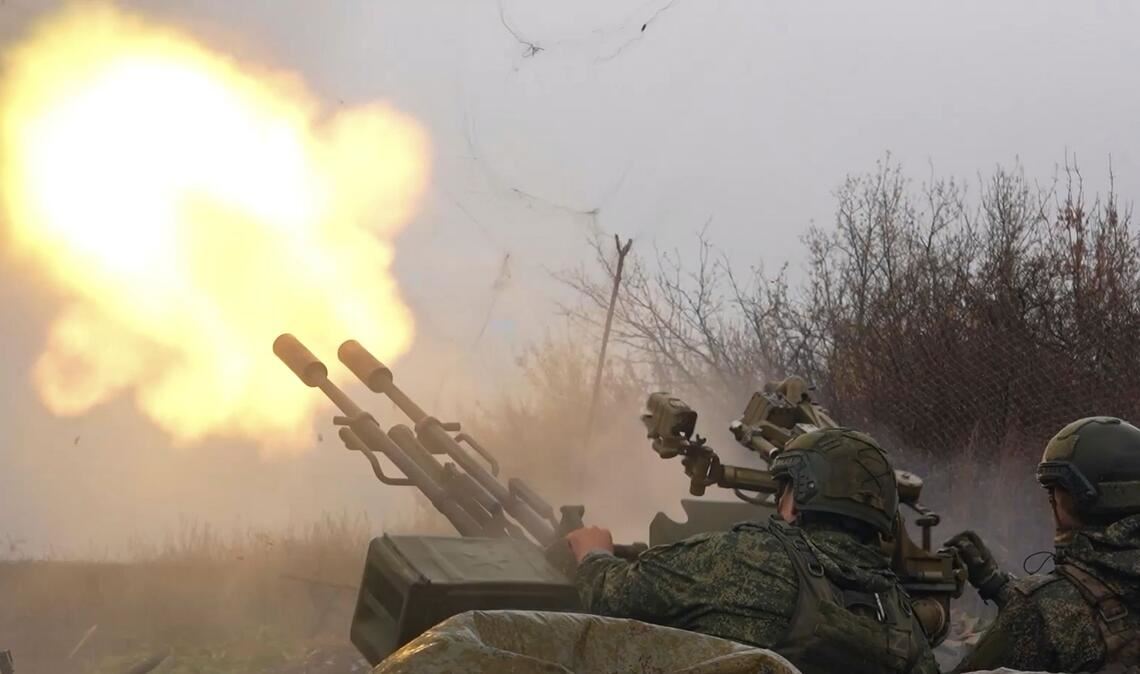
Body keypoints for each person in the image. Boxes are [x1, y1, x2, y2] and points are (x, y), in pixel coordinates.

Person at [565, 428, 939, 674]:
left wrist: (593, 553)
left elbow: (613, 597)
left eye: (783, 490)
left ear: (797, 498)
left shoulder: (744, 558)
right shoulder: (901, 614)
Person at [946, 416, 1140, 673]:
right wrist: (998, 586)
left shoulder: (1040, 611)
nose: (1051, 502)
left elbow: (1058, 617)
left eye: (1054, 491)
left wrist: (924, 620)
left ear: (1083, 497)